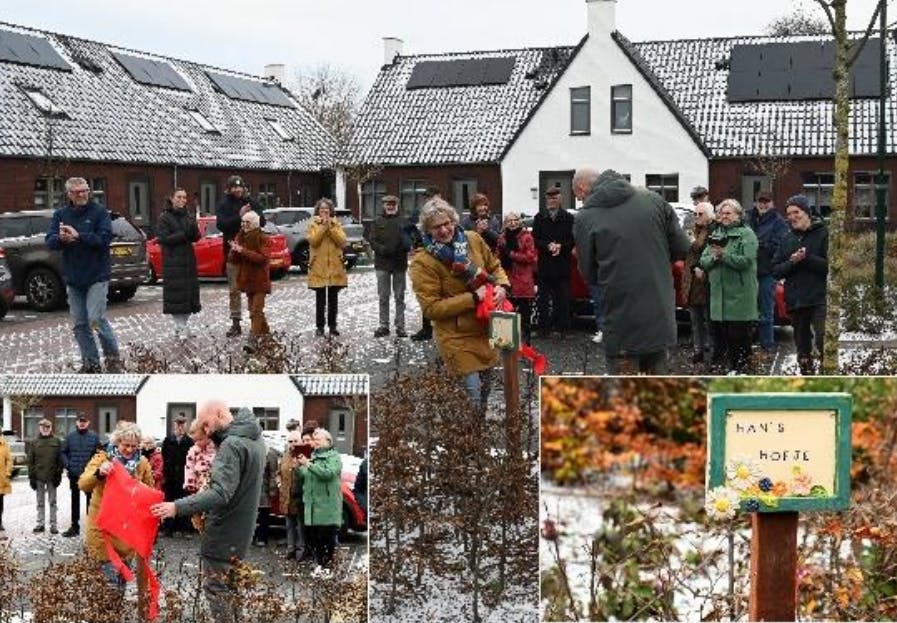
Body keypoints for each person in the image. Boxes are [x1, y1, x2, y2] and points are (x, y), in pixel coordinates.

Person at [150, 401, 266, 623]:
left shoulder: (232, 445)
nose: (206, 430)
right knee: (232, 591)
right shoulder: (255, 440)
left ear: (220, 414)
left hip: (223, 532)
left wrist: (177, 507)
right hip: (241, 533)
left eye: (206, 424)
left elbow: (220, 493)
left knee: (217, 590)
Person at [573, 167, 690, 374]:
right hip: (659, 313)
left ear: (582, 188)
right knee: (659, 392)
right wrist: (656, 261)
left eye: (578, 196)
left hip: (620, 319)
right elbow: (682, 247)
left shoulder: (586, 217)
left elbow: (588, 272)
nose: (580, 201)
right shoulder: (654, 200)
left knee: (624, 395)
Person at [409, 198, 510, 406]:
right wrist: (472, 298)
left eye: (447, 223)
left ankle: (476, 436)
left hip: (486, 328)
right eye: (437, 227)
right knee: (471, 400)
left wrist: (502, 286)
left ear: (454, 220)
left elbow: (494, 267)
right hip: (456, 337)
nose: (445, 230)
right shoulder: (423, 262)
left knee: (484, 397)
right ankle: (468, 435)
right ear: (427, 230)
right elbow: (431, 308)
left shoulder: (473, 239)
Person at [45, 177, 122, 373]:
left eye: (85, 190)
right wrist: (61, 239)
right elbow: (50, 241)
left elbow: (104, 239)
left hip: (97, 275)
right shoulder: (61, 214)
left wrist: (79, 236)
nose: (82, 194)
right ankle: (91, 364)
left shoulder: (99, 213)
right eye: (77, 192)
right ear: (69, 194)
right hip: (74, 277)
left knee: (95, 319)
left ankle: (113, 362)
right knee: (80, 324)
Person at [79, 421, 154, 614]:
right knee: (109, 587)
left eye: (134, 446)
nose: (129, 450)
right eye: (125, 445)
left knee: (119, 587)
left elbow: (150, 492)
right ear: (117, 441)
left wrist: (142, 492)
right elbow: (84, 484)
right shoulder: (103, 458)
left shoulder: (143, 463)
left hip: (127, 536)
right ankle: (107, 616)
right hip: (103, 534)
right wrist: (99, 473)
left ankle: (111, 616)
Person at [700, 198, 759, 374]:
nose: (724, 216)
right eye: (722, 213)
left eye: (728, 213)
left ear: (738, 215)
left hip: (740, 299)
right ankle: (729, 373)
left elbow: (746, 261)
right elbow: (704, 260)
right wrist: (714, 257)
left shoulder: (747, 235)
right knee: (722, 343)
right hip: (719, 299)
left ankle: (744, 376)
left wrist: (723, 255)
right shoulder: (716, 234)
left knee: (740, 345)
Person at [772, 194, 829, 375]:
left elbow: (830, 267)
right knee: (802, 348)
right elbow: (776, 270)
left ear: (806, 212)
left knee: (823, 340)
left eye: (796, 212)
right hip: (796, 300)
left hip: (819, 298)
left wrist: (807, 258)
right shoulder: (787, 238)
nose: (792, 217)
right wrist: (793, 262)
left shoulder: (823, 233)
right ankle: (808, 377)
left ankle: (828, 375)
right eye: (789, 214)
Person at [215, 175, 265, 338]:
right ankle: (236, 323)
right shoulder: (223, 204)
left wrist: (251, 212)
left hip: (251, 254)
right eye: (234, 187)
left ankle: (256, 323)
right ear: (228, 189)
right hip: (233, 254)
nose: (237, 189)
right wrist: (240, 215)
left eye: (240, 187)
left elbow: (262, 221)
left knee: (253, 289)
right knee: (234, 290)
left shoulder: (251, 202)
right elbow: (221, 225)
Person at [747, 189, 789, 354]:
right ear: (755, 203)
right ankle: (747, 344)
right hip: (747, 271)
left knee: (766, 310)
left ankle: (767, 345)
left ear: (772, 203)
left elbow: (779, 246)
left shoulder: (779, 222)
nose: (763, 204)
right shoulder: (748, 217)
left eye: (766, 202)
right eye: (760, 201)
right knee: (747, 310)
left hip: (766, 272)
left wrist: (756, 245)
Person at [296, 428, 343, 579]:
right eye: (314, 440)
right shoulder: (313, 456)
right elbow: (305, 475)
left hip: (327, 506)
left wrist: (308, 464)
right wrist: (299, 466)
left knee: (327, 537)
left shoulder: (334, 457)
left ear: (328, 441)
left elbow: (327, 473)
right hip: (312, 505)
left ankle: (327, 566)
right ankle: (319, 564)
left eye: (318, 440)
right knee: (314, 538)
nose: (315, 442)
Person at [156, 187, 201, 339]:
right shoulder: (164, 217)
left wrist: (194, 230)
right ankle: (180, 326)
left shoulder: (188, 215)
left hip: (188, 260)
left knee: (188, 296)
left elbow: (195, 237)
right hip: (173, 261)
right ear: (171, 198)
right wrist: (184, 235)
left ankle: (182, 325)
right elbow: (164, 238)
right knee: (176, 296)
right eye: (178, 197)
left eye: (184, 197)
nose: (182, 200)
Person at [532, 186, 575, 338]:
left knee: (563, 299)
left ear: (560, 199)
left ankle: (564, 330)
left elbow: (572, 240)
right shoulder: (539, 217)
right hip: (545, 264)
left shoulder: (568, 218)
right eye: (549, 198)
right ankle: (543, 329)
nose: (551, 201)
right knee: (542, 299)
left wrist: (561, 247)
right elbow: (535, 239)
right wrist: (547, 246)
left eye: (554, 198)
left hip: (562, 264)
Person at [228, 210, 271, 351]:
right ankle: (267, 336)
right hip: (247, 280)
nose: (244, 225)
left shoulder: (262, 238)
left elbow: (262, 258)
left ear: (254, 224)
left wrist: (242, 251)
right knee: (254, 310)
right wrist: (234, 250)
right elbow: (233, 260)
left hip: (260, 280)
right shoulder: (241, 237)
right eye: (243, 222)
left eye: (247, 222)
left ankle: (253, 340)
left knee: (256, 311)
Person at [370, 194, 411, 338]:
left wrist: (405, 246)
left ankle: (400, 326)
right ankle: (383, 325)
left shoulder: (404, 222)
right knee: (383, 296)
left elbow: (411, 240)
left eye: (393, 204)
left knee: (399, 297)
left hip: (400, 264)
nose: (390, 206)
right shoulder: (377, 221)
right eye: (388, 204)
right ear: (384, 205)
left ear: (397, 206)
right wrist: (382, 250)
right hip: (382, 264)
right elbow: (372, 241)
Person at [307, 198, 348, 337]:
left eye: (327, 209)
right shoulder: (313, 224)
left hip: (334, 267)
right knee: (320, 300)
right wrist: (323, 227)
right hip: (318, 266)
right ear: (318, 211)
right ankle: (319, 326)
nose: (324, 211)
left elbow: (342, 242)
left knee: (333, 299)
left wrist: (330, 227)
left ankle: (332, 326)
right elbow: (314, 241)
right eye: (322, 209)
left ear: (331, 211)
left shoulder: (336, 224)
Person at [681, 202, 716, 364]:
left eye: (700, 214)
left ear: (709, 215)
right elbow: (686, 252)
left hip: (705, 279)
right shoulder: (693, 230)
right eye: (695, 214)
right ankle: (698, 351)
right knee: (695, 320)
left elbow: (701, 250)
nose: (696, 217)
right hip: (692, 281)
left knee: (708, 320)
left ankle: (712, 351)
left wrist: (692, 240)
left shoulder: (713, 231)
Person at [496, 211, 537, 344]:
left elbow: (530, 257)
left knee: (525, 317)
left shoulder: (527, 237)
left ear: (519, 221)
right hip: (507, 280)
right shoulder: (502, 238)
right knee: (506, 314)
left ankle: (526, 346)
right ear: (505, 223)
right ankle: (506, 344)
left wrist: (512, 254)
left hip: (523, 280)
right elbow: (497, 256)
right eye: (509, 220)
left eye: (515, 220)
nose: (512, 223)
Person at [61, 413, 100, 537]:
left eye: (84, 421)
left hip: (89, 475)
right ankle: (74, 526)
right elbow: (63, 453)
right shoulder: (70, 437)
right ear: (76, 422)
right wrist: (68, 465)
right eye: (80, 421)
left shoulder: (94, 437)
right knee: (75, 500)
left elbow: (99, 455)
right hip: (74, 474)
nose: (82, 423)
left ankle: (91, 527)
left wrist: (94, 469)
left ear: (88, 423)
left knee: (91, 501)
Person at [410, 187, 440, 342]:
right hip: (424, 257)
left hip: (441, 257)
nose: (429, 200)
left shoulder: (444, 213)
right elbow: (413, 232)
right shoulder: (420, 214)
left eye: (432, 197)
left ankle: (441, 328)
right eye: (427, 198)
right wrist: (415, 247)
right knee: (426, 292)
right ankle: (426, 328)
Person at [27, 418, 63, 534]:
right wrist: (31, 477)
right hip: (38, 476)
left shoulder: (57, 441)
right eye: (43, 427)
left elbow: (59, 460)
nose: (45, 429)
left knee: (52, 502)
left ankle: (53, 525)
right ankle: (40, 523)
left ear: (50, 428)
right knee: (40, 502)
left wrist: (58, 474)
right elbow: (30, 461)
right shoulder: (34, 442)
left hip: (52, 476)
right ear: (40, 428)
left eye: (47, 427)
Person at [161, 414, 193, 537]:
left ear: (186, 426)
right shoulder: (168, 440)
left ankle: (184, 529)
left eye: (182, 424)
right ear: (174, 425)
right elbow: (163, 458)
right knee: (169, 501)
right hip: (170, 478)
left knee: (184, 502)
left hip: (183, 477)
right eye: (178, 424)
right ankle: (168, 528)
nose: (180, 427)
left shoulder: (189, 442)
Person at [279, 430, 310, 561]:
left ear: (301, 441)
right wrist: (279, 482)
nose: (292, 444)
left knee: (300, 526)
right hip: (287, 496)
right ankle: (290, 548)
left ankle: (301, 550)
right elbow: (278, 472)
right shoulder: (285, 455)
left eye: (295, 441)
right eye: (290, 441)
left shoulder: (304, 455)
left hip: (300, 496)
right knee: (289, 525)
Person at [183, 419, 217, 532]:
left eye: (200, 439)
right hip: (200, 482)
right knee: (199, 507)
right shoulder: (193, 450)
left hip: (214, 482)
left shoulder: (217, 449)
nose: (197, 443)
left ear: (209, 435)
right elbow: (189, 468)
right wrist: (190, 484)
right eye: (194, 440)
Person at [252, 445, 280, 547]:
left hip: (264, 490)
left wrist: (272, 491)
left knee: (263, 515)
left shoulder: (270, 454)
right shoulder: (252, 452)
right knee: (253, 516)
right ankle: (254, 537)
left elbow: (273, 474)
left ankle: (262, 538)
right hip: (253, 490)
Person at [0, 434, 11, 534]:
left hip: (1, 478)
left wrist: (7, 472)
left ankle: (0, 522)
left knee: (0, 501)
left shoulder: (4, 444)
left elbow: (9, 459)